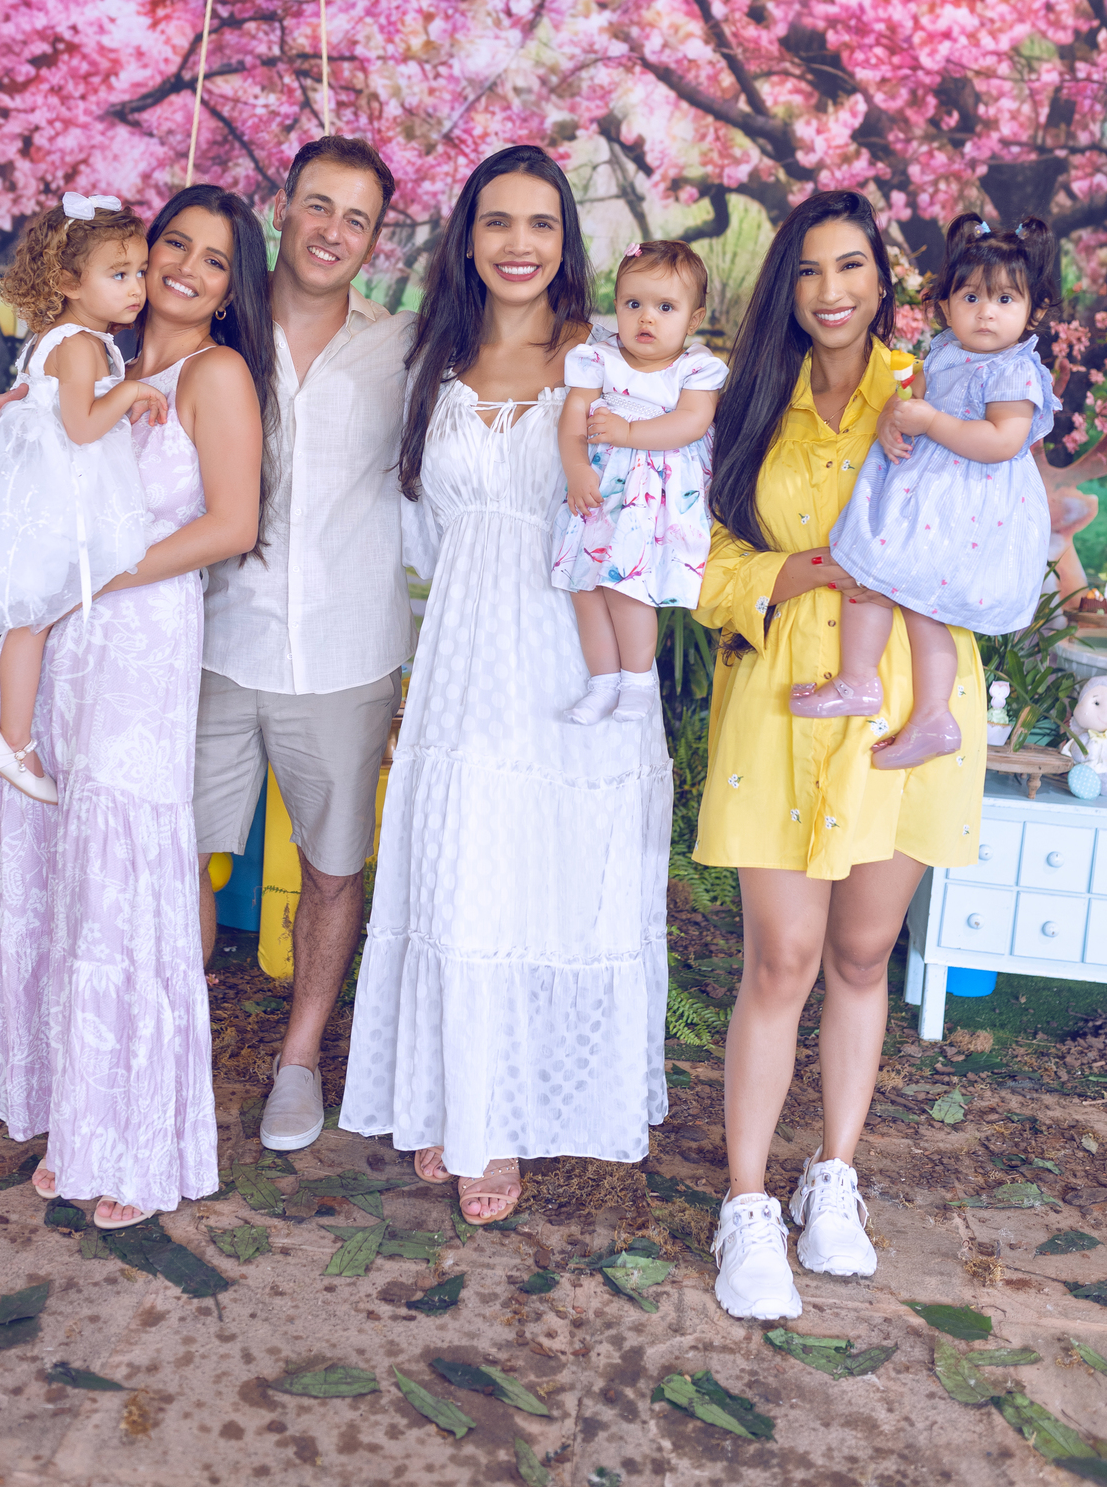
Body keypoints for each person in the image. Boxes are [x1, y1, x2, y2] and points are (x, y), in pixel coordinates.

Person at [339, 146, 673, 1225]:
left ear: (566, 242)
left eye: (540, 224)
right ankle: (460, 1096)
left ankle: (513, 1116)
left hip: (573, 653)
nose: (517, 244)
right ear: (467, 237)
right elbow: (422, 531)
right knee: (460, 869)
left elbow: (658, 494)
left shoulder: (605, 357)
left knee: (548, 874)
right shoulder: (432, 359)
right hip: (464, 655)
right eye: (496, 221)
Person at [0, 185, 267, 1229]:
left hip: (137, 638)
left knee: (120, 874)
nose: (187, 269)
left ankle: (130, 1136)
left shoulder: (215, 374)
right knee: (53, 859)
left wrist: (95, 579)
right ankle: (66, 1111)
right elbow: (33, 472)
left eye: (215, 260)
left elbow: (232, 524)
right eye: (176, 245)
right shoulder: (96, 362)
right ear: (133, 254)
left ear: (232, 287)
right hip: (56, 644)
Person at [694, 189, 985, 1320]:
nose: (831, 291)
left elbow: (988, 519)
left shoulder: (931, 389)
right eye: (811, 270)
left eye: (852, 266)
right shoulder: (748, 400)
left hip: (904, 703)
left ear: (882, 279)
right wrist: (803, 570)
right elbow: (704, 556)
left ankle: (834, 1180)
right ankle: (746, 1203)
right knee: (782, 958)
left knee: (863, 956)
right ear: (788, 285)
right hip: (784, 701)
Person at [192, 135, 415, 1153]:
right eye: (318, 206)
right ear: (283, 206)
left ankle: (299, 1058)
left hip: (347, 650)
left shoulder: (405, 347)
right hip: (211, 640)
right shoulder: (218, 326)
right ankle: (172, 1044)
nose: (333, 231)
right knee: (174, 856)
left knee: (330, 870)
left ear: (375, 240)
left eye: (356, 219)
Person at [790, 215, 1058, 766]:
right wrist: (894, 417)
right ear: (945, 305)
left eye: (1005, 299)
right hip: (930, 494)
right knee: (870, 571)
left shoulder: (1014, 370)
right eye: (971, 297)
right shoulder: (948, 351)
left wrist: (931, 421)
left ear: (1034, 311)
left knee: (920, 604)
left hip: (971, 504)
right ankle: (861, 680)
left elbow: (1002, 442)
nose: (986, 312)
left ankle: (931, 713)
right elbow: (915, 398)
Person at [0, 193, 165, 803]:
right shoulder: (79, 344)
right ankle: (13, 741)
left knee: (33, 622)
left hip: (45, 499)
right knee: (33, 622)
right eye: (119, 274)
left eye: (140, 271)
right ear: (68, 282)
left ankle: (11, 738)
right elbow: (82, 427)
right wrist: (130, 393)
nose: (137, 288)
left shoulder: (68, 338)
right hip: (57, 506)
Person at [552, 238, 727, 725]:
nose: (646, 318)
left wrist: (628, 432)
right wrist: (576, 467)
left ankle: (637, 681)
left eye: (665, 307)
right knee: (585, 585)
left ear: (693, 318)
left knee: (626, 584)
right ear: (616, 307)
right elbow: (573, 417)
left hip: (655, 498)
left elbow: (690, 423)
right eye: (633, 304)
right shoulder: (598, 358)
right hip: (601, 489)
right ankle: (602, 682)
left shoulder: (694, 368)